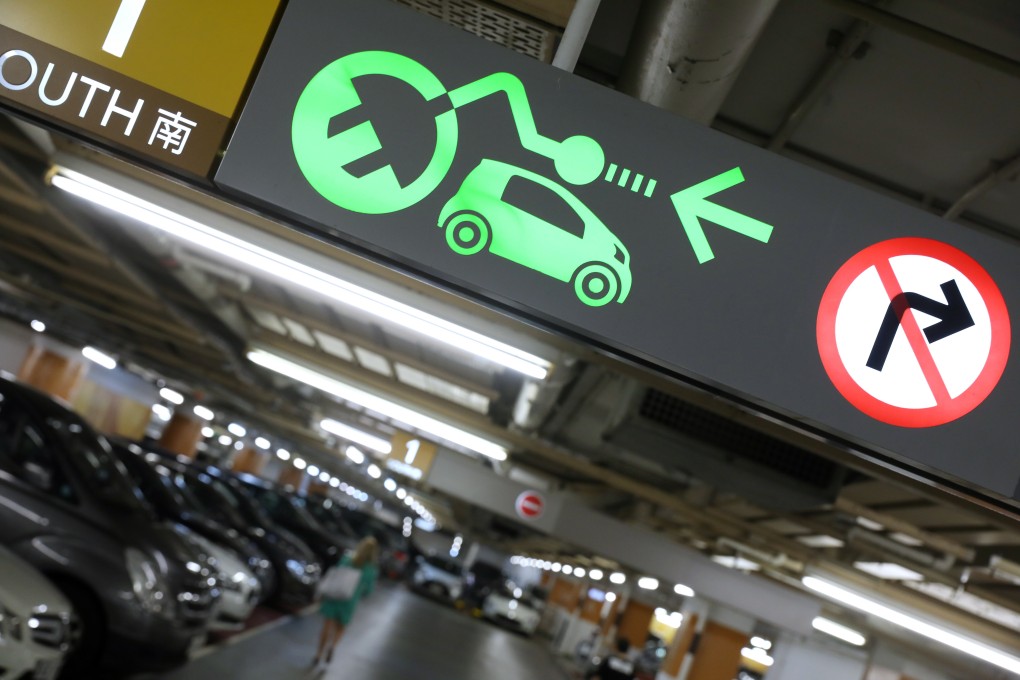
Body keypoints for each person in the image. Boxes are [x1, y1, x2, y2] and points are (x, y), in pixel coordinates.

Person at [313, 536, 379, 666]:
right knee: (341, 627)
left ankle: (319, 653)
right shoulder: (371, 569)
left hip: (335, 595)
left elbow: (336, 572)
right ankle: (332, 646)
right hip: (350, 600)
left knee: (327, 626)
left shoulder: (347, 558)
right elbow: (368, 591)